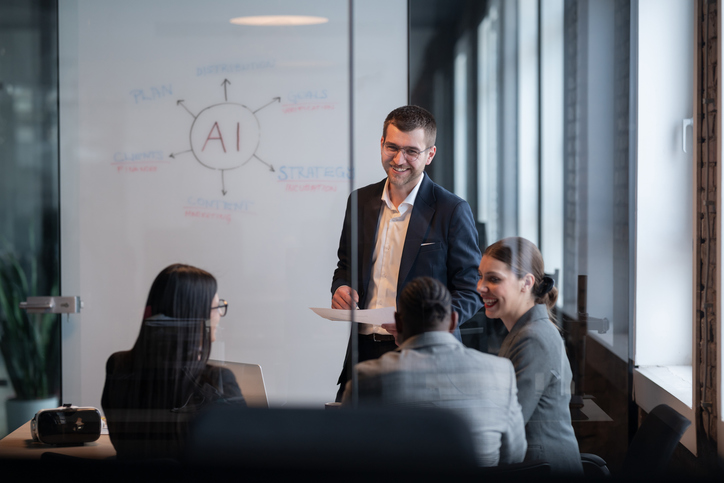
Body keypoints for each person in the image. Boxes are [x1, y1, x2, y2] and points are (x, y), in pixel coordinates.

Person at [332, 105, 482, 401]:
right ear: (381, 145)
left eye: (411, 151)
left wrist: (431, 323)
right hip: (364, 351)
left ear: (430, 154)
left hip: (425, 355)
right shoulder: (360, 201)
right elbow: (346, 264)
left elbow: (471, 290)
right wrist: (341, 287)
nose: (399, 160)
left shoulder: (452, 210)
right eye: (392, 147)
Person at [341, 277, 527, 467]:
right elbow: (514, 457)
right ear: (454, 321)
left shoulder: (367, 378)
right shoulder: (501, 372)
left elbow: (347, 454)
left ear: (398, 322)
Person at [101, 263, 245, 460]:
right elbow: (242, 453)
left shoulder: (118, 366)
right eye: (217, 307)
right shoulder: (216, 380)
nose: (220, 315)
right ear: (196, 315)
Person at [477, 237, 583, 475]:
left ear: (526, 283)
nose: (480, 287)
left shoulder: (532, 338)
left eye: (493, 279)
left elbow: (508, 424)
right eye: (480, 276)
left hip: (540, 468)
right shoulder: (526, 331)